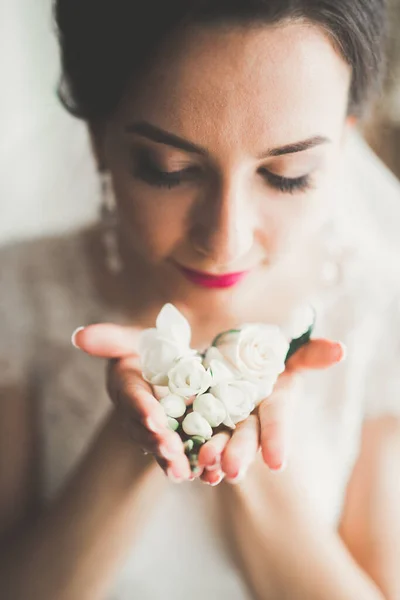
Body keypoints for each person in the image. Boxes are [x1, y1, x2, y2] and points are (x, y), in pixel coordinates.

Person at [0, 1, 399, 598]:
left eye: (287, 174)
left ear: (342, 145)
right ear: (97, 140)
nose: (224, 242)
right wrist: (137, 437)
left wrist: (238, 438)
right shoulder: (19, 295)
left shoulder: (377, 310)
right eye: (168, 168)